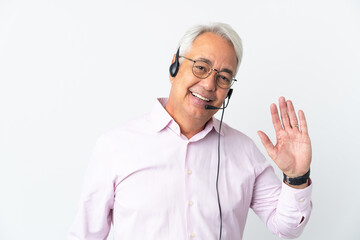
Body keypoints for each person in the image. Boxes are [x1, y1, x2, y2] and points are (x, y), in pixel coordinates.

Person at [68, 22, 312, 240]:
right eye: (201, 67)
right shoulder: (115, 146)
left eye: (224, 78)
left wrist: (297, 177)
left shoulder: (245, 151)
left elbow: (287, 228)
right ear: (174, 66)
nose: (208, 85)